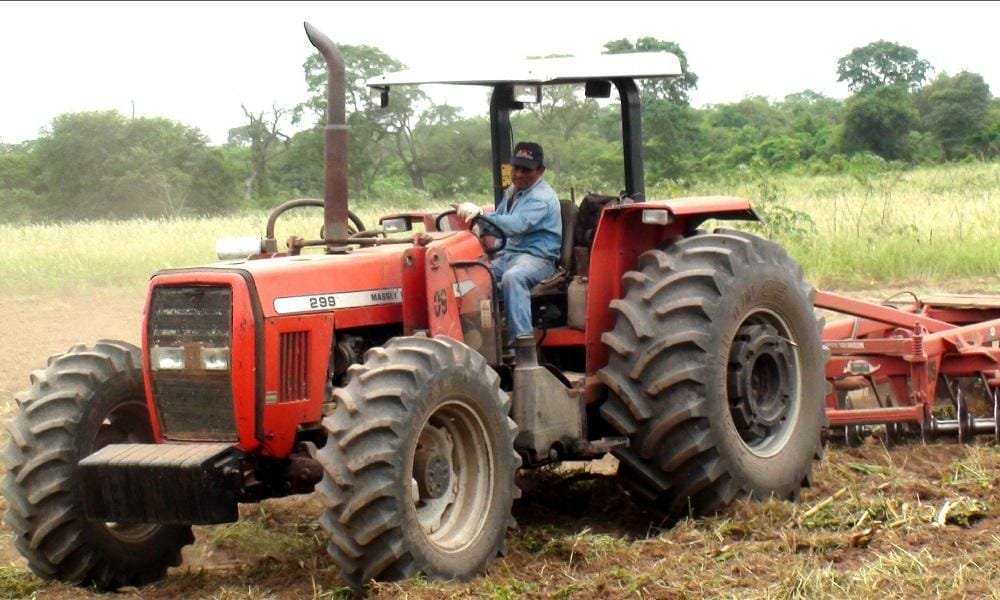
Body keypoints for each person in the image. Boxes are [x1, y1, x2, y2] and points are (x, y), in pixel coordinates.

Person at [457, 141, 561, 345]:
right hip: (509, 256)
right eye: (516, 168)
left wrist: (480, 215)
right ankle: (475, 338)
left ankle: (522, 347)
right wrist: (480, 226)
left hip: (538, 259)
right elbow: (500, 218)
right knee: (471, 274)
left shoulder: (541, 197)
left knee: (513, 277)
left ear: (540, 171)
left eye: (526, 170)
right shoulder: (514, 191)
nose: (519, 174)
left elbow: (516, 224)